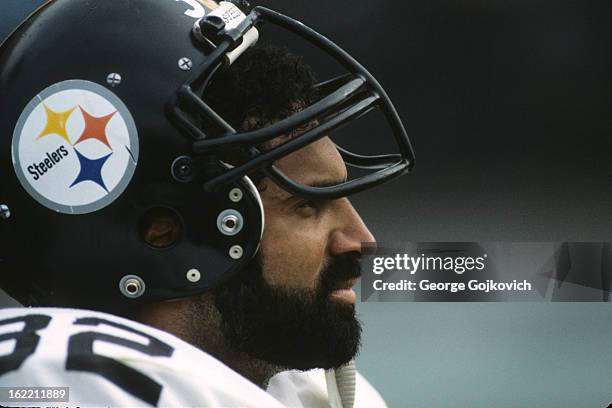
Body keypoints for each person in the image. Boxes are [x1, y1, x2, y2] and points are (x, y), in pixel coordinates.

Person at [0, 0, 414, 407]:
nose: (360, 240)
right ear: (162, 232)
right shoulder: (69, 383)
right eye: (307, 204)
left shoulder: (307, 394)